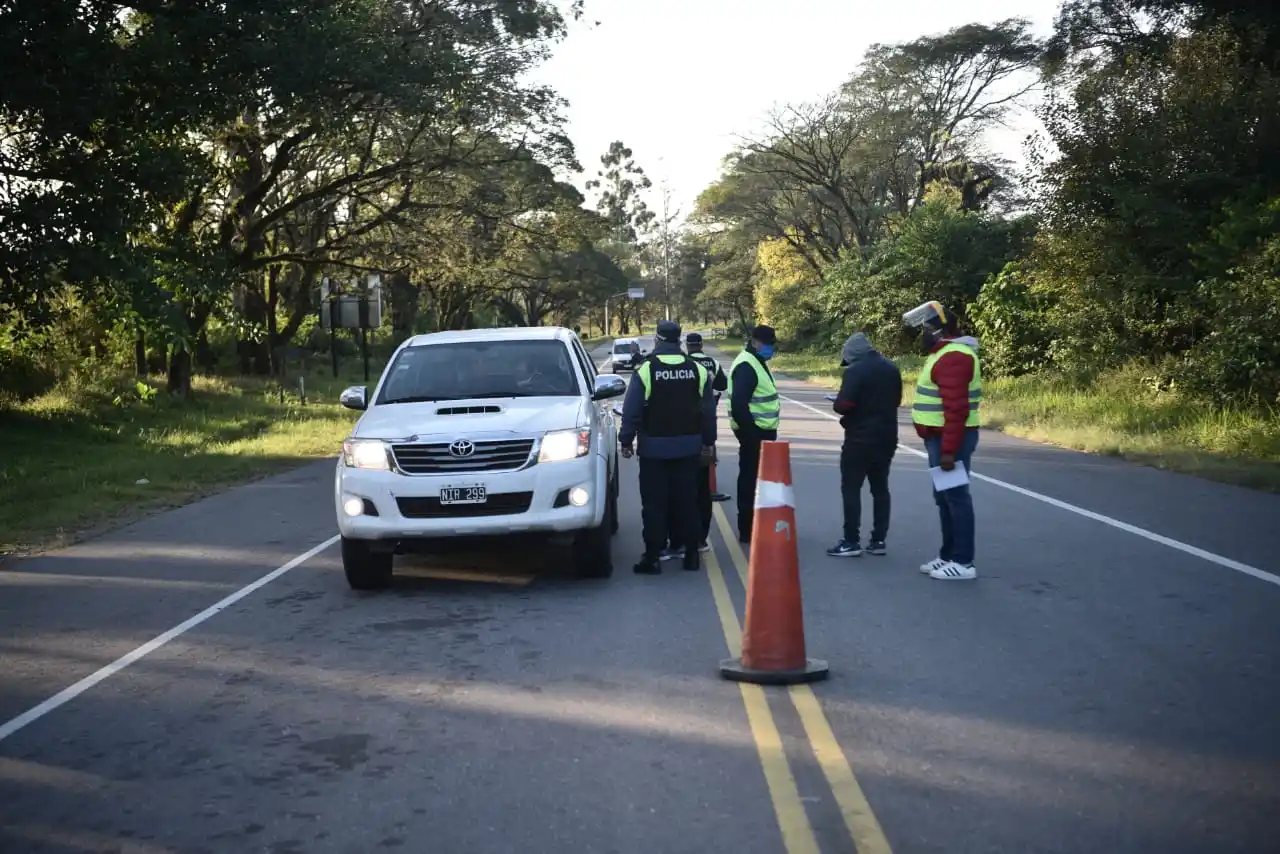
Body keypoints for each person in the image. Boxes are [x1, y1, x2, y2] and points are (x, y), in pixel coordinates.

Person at [619, 320, 716, 574]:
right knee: (688, 502)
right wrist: (708, 442)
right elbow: (708, 412)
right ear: (679, 340)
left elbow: (632, 411)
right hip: (689, 448)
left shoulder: (646, 370)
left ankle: (652, 557)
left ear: (658, 339)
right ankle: (692, 555)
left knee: (654, 504)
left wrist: (626, 440)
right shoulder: (697, 370)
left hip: (654, 450)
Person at [903, 300, 982, 581]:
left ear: (938, 330)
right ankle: (948, 555)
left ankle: (963, 561)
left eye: (925, 328)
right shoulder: (943, 354)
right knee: (944, 497)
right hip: (941, 439)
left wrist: (948, 452)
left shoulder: (955, 357)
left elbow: (956, 408)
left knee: (956, 497)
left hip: (951, 440)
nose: (922, 334)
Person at [826, 332, 903, 559]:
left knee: (851, 488)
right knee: (880, 489)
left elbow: (844, 405)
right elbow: (896, 401)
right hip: (887, 437)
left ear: (852, 355)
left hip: (859, 439)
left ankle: (851, 540)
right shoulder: (892, 369)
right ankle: (878, 540)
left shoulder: (855, 371)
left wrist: (838, 403)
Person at [661, 332, 728, 560]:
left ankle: (677, 538)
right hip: (706, 427)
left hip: (684, 430)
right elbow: (723, 384)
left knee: (678, 488)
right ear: (701, 344)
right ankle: (699, 538)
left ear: (687, 346)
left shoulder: (685, 364)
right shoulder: (711, 362)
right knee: (701, 488)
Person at [726, 325, 780, 544]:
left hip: (761, 433)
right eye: (767, 344)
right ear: (755, 342)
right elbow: (739, 405)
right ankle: (747, 529)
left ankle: (759, 524)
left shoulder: (756, 362)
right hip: (754, 434)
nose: (770, 349)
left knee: (761, 483)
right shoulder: (747, 365)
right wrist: (752, 436)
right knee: (749, 482)